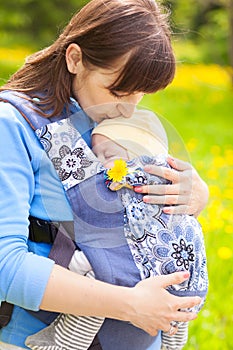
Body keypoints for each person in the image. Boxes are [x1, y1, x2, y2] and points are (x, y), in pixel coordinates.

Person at [0, 0, 209, 349]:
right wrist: (129, 305)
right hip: (38, 337)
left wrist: (192, 195)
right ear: (75, 59)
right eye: (117, 91)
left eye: (140, 94)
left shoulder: (115, 122)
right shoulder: (13, 126)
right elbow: (6, 267)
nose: (129, 108)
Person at [25, 110, 208, 350]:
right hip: (186, 285)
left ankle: (64, 345)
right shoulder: (175, 180)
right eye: (95, 155)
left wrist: (49, 126)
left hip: (132, 272)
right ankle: (172, 345)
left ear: (137, 153)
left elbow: (73, 162)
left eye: (108, 155)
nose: (100, 163)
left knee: (93, 287)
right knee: (177, 315)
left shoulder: (127, 181)